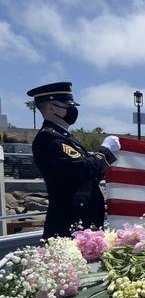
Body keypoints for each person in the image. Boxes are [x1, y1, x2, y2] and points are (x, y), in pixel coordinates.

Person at [29, 82, 121, 238]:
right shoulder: (50, 139)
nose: (73, 110)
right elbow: (85, 170)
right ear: (51, 108)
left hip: (82, 220)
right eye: (67, 105)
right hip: (69, 224)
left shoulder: (64, 137)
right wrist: (105, 149)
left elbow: (89, 176)